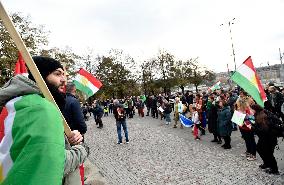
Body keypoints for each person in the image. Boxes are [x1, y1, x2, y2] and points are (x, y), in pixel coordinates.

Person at [0, 56, 87, 184]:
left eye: (64, 74)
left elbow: (29, 151)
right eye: (58, 74)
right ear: (40, 76)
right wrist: (82, 149)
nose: (64, 80)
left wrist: (65, 140)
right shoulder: (42, 108)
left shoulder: (19, 102)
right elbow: (52, 164)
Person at [251, 104, 280, 175]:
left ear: (255, 109)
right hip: (265, 138)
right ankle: (266, 163)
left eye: (251, 109)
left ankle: (275, 170)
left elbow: (263, 130)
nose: (250, 110)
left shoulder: (262, 116)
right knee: (259, 148)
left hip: (269, 138)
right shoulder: (259, 114)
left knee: (269, 154)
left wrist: (252, 127)